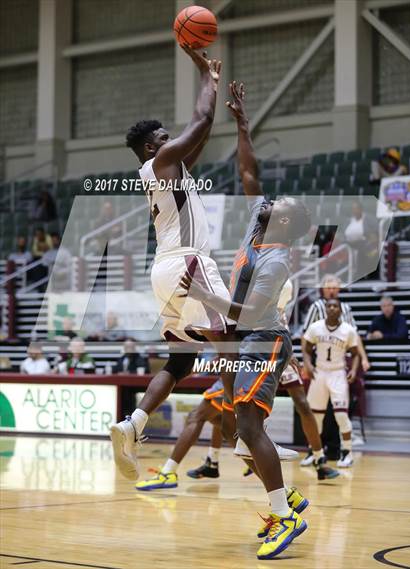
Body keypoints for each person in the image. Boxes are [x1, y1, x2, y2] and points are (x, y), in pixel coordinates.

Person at [180, 82, 311, 560]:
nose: (273, 200)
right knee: (240, 434)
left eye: (283, 205)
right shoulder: (260, 222)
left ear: (286, 222)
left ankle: (285, 514)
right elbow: (249, 172)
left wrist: (202, 295)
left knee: (251, 428)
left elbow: (251, 313)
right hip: (240, 341)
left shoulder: (277, 260)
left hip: (264, 339)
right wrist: (242, 124)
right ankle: (289, 498)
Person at [110, 46, 239, 483]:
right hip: (188, 263)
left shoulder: (168, 168)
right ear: (151, 147)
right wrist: (208, 76)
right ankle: (244, 432)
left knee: (180, 363)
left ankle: (134, 424)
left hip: (165, 271)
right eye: (164, 137)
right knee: (230, 337)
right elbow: (200, 122)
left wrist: (225, 113)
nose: (170, 141)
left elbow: (201, 134)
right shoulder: (159, 162)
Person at [276, 280, 339, 481]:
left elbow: (283, 329)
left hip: (282, 356)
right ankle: (219, 457)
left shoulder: (279, 308)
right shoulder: (258, 297)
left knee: (304, 405)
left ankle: (319, 460)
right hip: (259, 355)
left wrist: (290, 352)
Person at [136, 379, 224, 490]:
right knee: (218, 418)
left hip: (236, 376)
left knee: (196, 416)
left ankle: (168, 473)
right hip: (242, 377)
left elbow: (222, 361)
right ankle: (213, 462)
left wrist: (199, 366)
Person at [302, 299, 360, 468]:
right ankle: (314, 452)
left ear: (341, 310)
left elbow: (356, 353)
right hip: (319, 373)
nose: (332, 308)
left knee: (341, 415)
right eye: (329, 306)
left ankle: (347, 453)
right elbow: (306, 348)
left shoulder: (348, 330)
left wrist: (354, 370)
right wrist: (308, 364)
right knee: (315, 417)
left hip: (337, 373)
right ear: (325, 309)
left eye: (336, 306)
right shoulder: (315, 327)